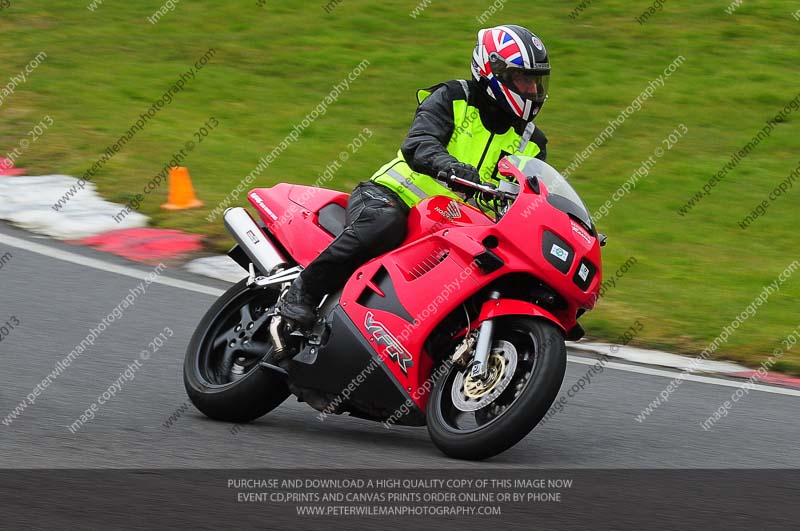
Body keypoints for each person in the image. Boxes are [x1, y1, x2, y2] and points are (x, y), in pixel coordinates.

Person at [280, 25, 551, 328]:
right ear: (493, 71)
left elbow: (530, 196)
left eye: (536, 81)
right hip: (392, 197)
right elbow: (419, 143)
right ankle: (302, 291)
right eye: (523, 79)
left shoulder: (531, 142)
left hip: (454, 229)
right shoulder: (453, 97)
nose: (531, 90)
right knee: (383, 224)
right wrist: (448, 166)